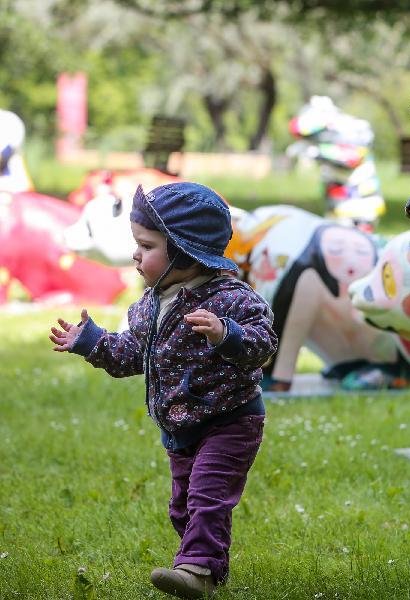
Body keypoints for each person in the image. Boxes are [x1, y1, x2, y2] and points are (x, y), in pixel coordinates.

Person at [49, 182, 277, 599]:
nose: (136, 254)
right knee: (184, 506)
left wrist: (228, 335)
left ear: (185, 251)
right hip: (179, 426)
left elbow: (262, 347)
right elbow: (133, 356)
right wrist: (93, 343)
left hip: (230, 419)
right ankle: (206, 567)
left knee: (208, 494)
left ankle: (195, 570)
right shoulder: (149, 305)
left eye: (146, 245)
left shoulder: (232, 299)